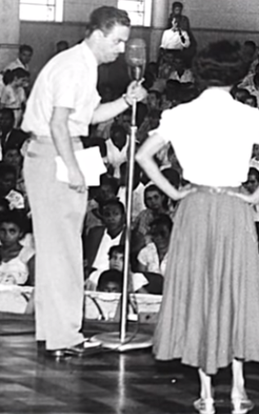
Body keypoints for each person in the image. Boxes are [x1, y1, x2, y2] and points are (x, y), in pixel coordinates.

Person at [136, 40, 259, 414]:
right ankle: (238, 390)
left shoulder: (180, 113)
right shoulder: (248, 115)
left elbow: (143, 154)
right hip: (234, 207)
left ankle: (205, 393)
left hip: (194, 205)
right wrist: (256, 197)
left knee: (200, 289)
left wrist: (174, 190)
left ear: (200, 71)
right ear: (238, 74)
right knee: (233, 290)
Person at [21, 6, 147, 356]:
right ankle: (64, 336)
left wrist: (125, 101)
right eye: (117, 41)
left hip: (58, 151)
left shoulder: (85, 64)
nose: (121, 50)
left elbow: (87, 117)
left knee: (58, 251)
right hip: (55, 155)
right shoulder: (74, 66)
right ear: (98, 33)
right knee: (63, 252)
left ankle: (56, 334)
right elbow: (60, 123)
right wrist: (73, 168)